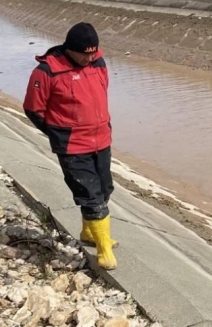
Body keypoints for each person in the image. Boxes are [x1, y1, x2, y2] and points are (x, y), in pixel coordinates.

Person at [23, 22, 118, 270]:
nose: (89, 57)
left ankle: (89, 232)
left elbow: (101, 92)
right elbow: (33, 109)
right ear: (69, 49)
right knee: (91, 196)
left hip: (101, 140)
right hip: (72, 145)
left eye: (93, 52)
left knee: (105, 189)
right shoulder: (47, 71)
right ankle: (104, 250)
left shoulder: (98, 63)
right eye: (84, 53)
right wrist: (58, 133)